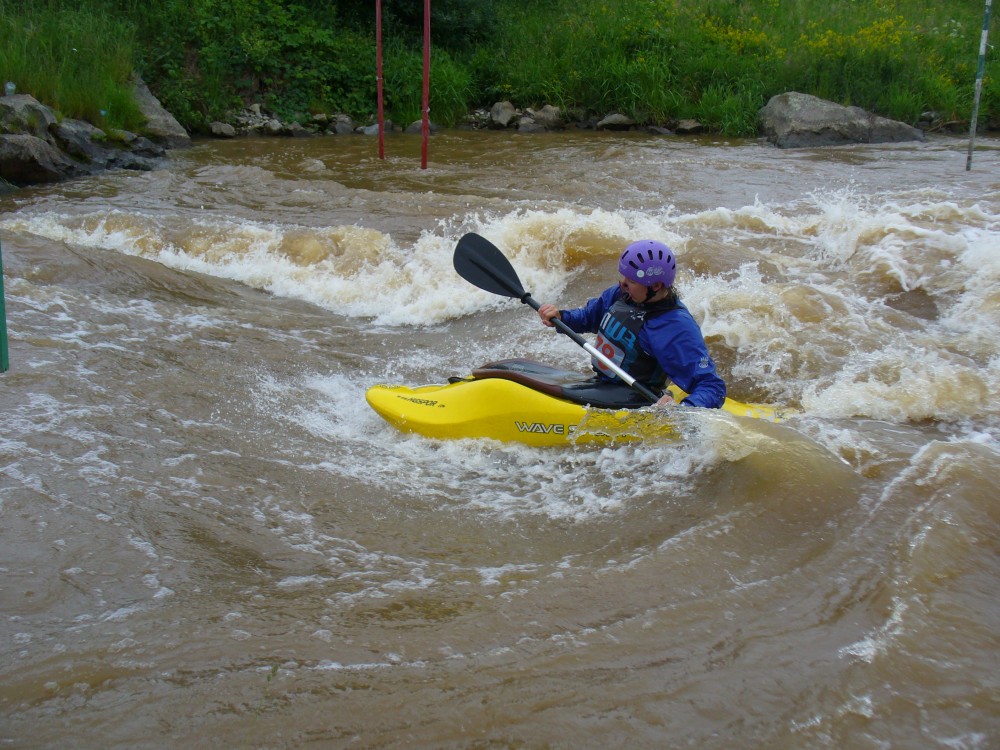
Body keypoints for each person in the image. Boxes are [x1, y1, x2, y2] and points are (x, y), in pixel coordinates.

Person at [537, 239, 726, 409]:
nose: (623, 284)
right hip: (602, 384)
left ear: (656, 286)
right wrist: (561, 317)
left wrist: (682, 411)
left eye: (632, 281)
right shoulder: (623, 295)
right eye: (624, 277)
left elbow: (712, 387)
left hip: (635, 400)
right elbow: (589, 317)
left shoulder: (675, 327)